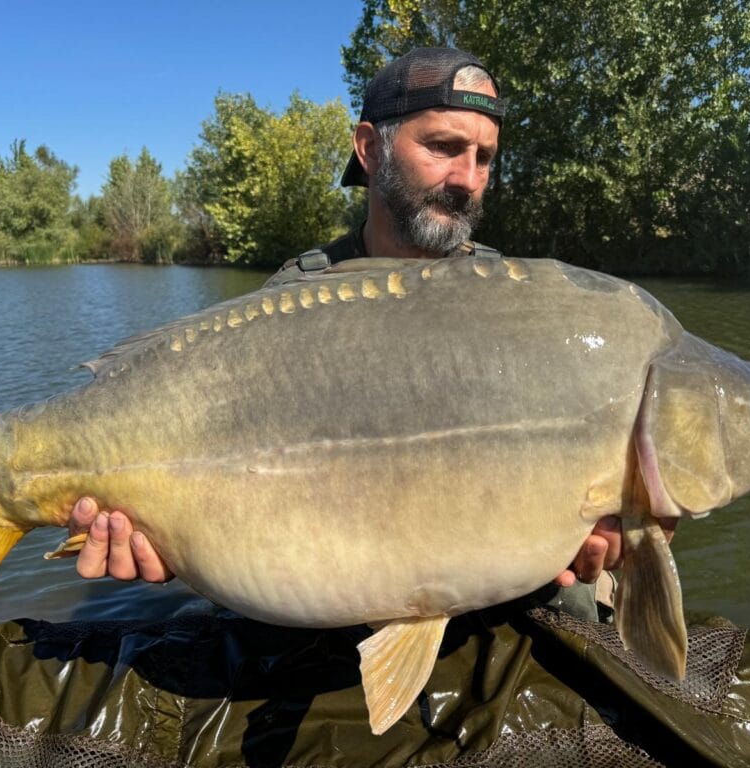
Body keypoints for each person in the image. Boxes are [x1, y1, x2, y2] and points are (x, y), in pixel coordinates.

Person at [66, 47, 672, 613]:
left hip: (485, 584)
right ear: (370, 149)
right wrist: (170, 544)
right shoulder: (290, 304)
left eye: (484, 157)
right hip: (325, 591)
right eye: (442, 146)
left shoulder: (515, 307)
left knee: (586, 594)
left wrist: (630, 527)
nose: (467, 177)